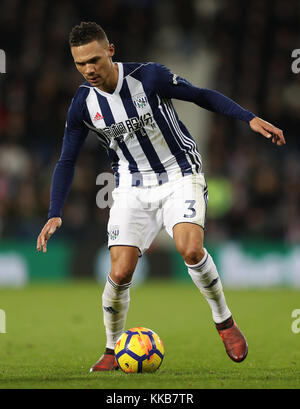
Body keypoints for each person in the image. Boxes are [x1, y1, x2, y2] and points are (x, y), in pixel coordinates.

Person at [36, 22, 286, 371]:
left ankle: (224, 321)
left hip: (179, 173)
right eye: (80, 63)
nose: (89, 69)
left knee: (190, 248)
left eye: (94, 59)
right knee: (120, 273)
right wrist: (54, 211)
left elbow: (201, 95)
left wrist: (249, 118)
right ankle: (111, 350)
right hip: (130, 187)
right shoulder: (83, 104)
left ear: (110, 50)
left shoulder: (148, 77)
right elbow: (67, 159)